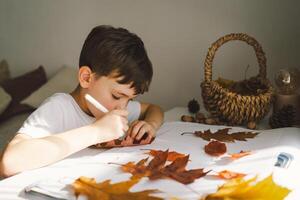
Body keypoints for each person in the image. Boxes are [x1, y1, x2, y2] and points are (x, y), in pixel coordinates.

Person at [0, 25, 164, 177]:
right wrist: (97, 132)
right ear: (86, 78)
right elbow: (9, 163)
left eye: (130, 99)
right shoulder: (59, 108)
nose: (124, 108)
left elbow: (153, 109)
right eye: (116, 96)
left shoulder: (115, 107)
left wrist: (151, 124)